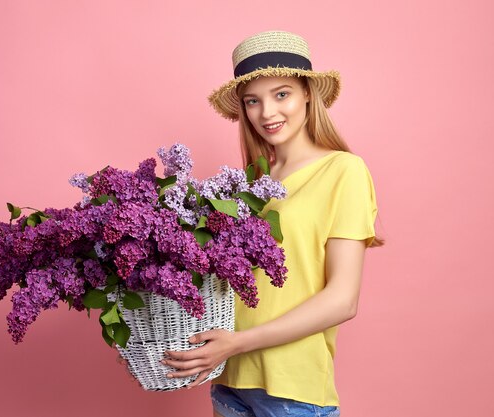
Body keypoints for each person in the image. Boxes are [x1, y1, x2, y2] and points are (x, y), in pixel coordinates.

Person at [159, 30, 384, 417]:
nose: (267, 113)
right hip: (230, 382)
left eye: (282, 94)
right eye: (253, 101)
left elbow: (343, 299)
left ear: (308, 94)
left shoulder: (343, 170)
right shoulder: (246, 185)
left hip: (291, 390)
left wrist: (239, 342)